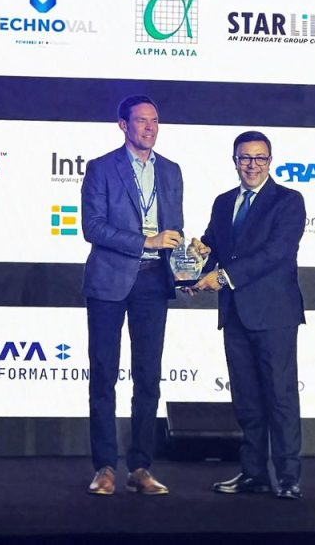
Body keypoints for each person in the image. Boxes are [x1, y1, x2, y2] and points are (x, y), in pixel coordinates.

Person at [191, 130, 306, 500]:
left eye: (260, 158)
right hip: (236, 315)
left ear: (270, 162)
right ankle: (253, 473)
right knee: (247, 401)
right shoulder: (224, 202)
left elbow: (276, 253)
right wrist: (193, 267)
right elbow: (212, 247)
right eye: (245, 158)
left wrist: (223, 277)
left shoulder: (288, 201)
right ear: (235, 161)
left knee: (281, 397)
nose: (252, 165)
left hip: (274, 314)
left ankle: (288, 478)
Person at [81, 95, 183, 496]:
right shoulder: (101, 168)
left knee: (148, 377)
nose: (150, 127)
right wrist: (146, 240)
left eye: (154, 120)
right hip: (109, 280)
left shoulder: (171, 170)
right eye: (141, 120)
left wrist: (185, 265)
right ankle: (105, 467)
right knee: (104, 375)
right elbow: (93, 227)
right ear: (123, 125)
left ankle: (140, 467)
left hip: (154, 281)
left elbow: (174, 228)